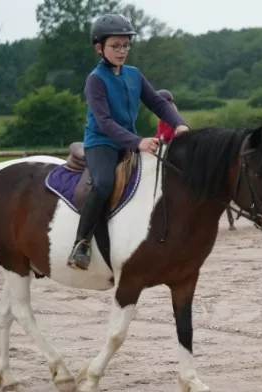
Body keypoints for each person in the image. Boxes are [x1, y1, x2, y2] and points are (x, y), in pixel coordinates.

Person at [68, 14, 190, 271]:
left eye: (125, 46)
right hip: (101, 143)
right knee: (102, 184)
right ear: (99, 47)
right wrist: (137, 142)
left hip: (128, 142)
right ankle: (81, 243)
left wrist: (179, 124)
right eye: (116, 46)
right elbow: (104, 122)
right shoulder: (95, 80)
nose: (122, 51)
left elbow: (158, 103)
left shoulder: (134, 74)